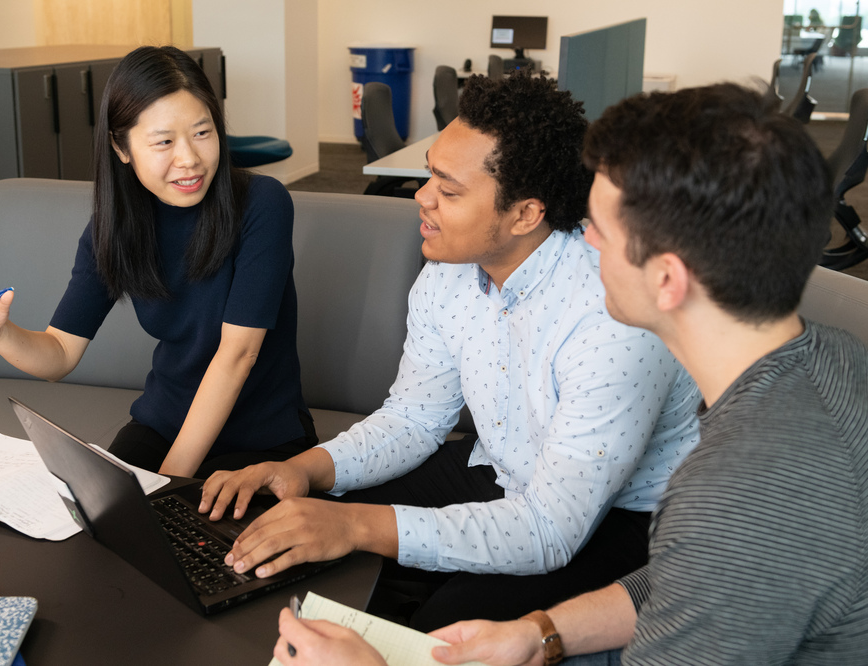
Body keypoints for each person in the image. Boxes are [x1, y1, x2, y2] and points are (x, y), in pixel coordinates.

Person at [358, 83, 864, 666]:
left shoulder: (732, 491)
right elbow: (684, 575)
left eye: (600, 227)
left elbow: (715, 554)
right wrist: (544, 632)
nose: (582, 239)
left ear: (667, 281)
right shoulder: (832, 358)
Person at [202, 71, 701, 630]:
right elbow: (415, 418)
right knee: (284, 527)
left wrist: (358, 527)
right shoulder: (447, 275)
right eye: (428, 175)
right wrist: (303, 470)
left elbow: (550, 530)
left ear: (525, 214)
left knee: (439, 627)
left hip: (620, 518)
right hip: (504, 471)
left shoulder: (613, 315)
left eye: (449, 189)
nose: (422, 197)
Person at [0, 46, 316, 478]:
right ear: (121, 147)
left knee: (179, 533)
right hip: (161, 423)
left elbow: (238, 354)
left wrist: (166, 485)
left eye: (202, 133)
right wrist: (1, 333)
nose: (189, 158)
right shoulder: (114, 228)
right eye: (164, 142)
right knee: (93, 522)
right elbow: (59, 354)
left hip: (261, 438)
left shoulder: (261, 203)